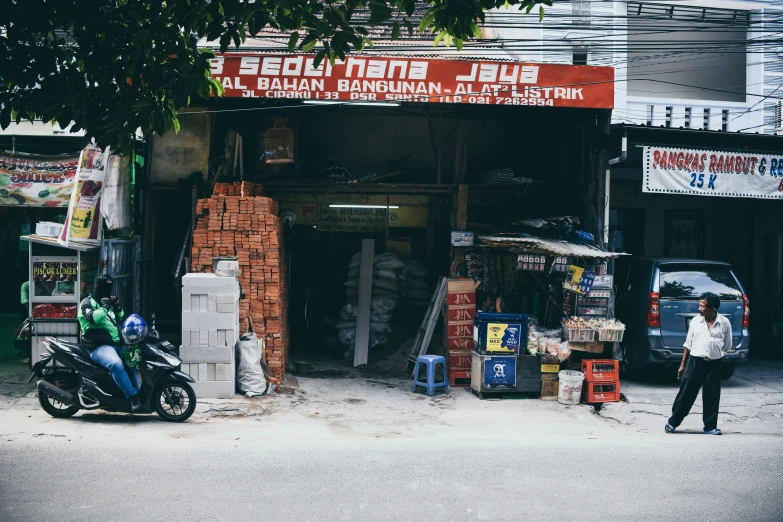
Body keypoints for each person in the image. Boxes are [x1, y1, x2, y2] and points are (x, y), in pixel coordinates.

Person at [665, 292, 732, 435]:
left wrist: (716, 353)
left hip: (714, 364)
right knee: (686, 394)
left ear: (712, 308)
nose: (699, 308)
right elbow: (688, 344)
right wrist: (683, 365)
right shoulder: (695, 321)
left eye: (702, 306)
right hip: (695, 362)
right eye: (699, 305)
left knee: (712, 396)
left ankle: (710, 427)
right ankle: (672, 422)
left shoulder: (724, 322)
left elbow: (727, 345)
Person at [78, 276, 141, 412]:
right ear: (98, 287)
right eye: (105, 287)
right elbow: (93, 318)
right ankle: (132, 396)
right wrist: (105, 307)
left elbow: (118, 318)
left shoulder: (105, 301)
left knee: (131, 364)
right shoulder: (86, 302)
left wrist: (117, 307)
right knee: (116, 365)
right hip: (98, 347)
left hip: (117, 344)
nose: (108, 290)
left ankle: (138, 393)